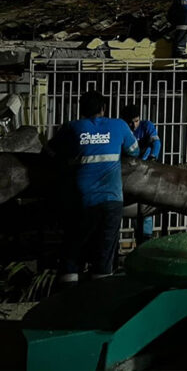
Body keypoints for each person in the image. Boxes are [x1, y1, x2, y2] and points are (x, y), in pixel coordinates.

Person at [43, 90, 139, 285]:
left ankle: (67, 299)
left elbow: (48, 152)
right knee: (104, 253)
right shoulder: (119, 125)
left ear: (82, 109)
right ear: (103, 108)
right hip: (112, 201)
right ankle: (99, 300)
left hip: (82, 200)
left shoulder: (72, 128)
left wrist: (69, 162)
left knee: (73, 250)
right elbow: (134, 151)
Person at [120, 104, 161, 242]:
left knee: (145, 206)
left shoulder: (146, 126)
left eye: (136, 121)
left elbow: (156, 143)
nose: (134, 125)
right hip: (126, 171)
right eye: (130, 122)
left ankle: (145, 238)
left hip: (144, 169)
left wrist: (152, 158)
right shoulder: (121, 128)